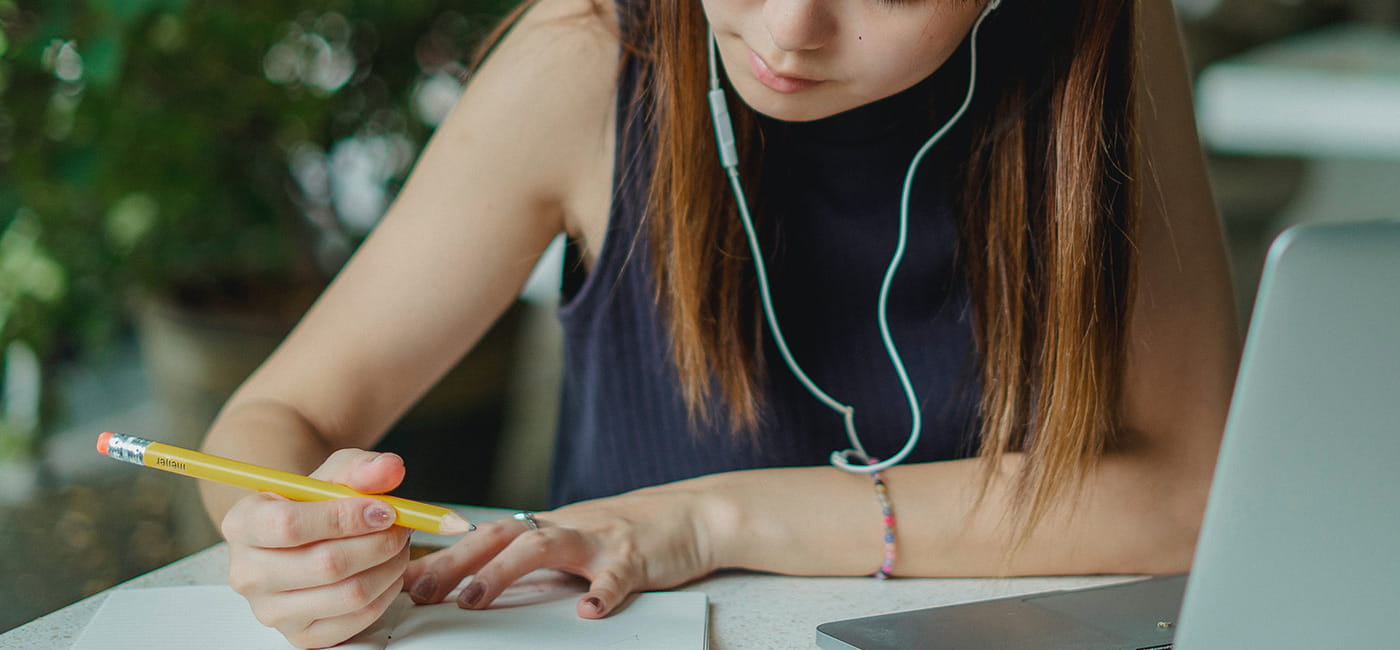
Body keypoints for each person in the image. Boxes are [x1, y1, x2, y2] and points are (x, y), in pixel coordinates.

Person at [198, 0, 1238, 647]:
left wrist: (704, 520)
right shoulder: (589, 55)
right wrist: (288, 535)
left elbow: (1189, 498)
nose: (791, 29)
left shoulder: (1097, 42)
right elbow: (280, 410)